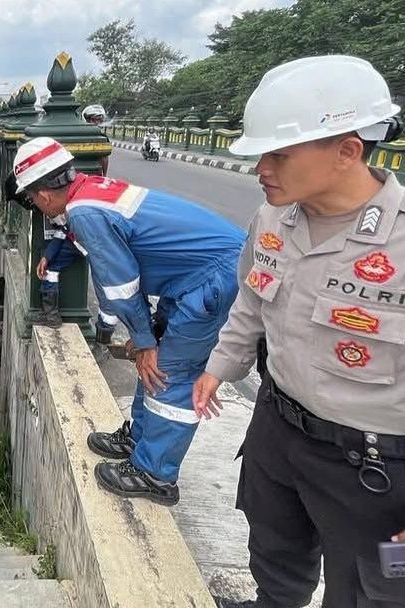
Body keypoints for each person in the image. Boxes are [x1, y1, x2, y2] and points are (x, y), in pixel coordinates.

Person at [191, 56, 405, 607]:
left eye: (278, 154)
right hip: (277, 430)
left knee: (370, 596)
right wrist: (219, 365)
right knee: (275, 560)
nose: (263, 169)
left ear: (347, 150)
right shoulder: (273, 218)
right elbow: (252, 303)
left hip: (378, 466)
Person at [13, 136, 245, 506]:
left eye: (31, 199)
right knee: (151, 360)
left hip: (212, 280)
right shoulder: (90, 193)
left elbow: (119, 286)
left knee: (169, 372)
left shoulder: (85, 212)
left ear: (41, 195)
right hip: (193, 277)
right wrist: (144, 336)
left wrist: (144, 338)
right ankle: (138, 439)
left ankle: (156, 474)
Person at [81, 104, 111, 175]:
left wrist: (104, 175)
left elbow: (105, 157)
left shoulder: (103, 138)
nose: (96, 123)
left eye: (99, 120)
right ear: (86, 119)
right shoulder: (80, 135)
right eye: (93, 120)